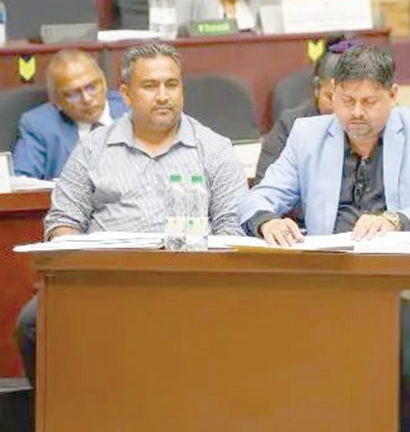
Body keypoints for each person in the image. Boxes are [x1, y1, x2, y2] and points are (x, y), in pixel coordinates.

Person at [15, 43, 248, 385]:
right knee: (32, 323)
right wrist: (80, 262)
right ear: (125, 93)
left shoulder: (214, 149)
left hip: (192, 281)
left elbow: (232, 228)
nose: (163, 96)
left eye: (172, 84)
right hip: (103, 282)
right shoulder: (92, 148)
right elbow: (62, 220)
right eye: (150, 86)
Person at [238, 44, 410, 245]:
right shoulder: (307, 136)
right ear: (333, 93)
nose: (357, 113)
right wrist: (267, 221)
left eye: (369, 102)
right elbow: (258, 198)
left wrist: (395, 221)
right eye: (347, 101)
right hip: (329, 268)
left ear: (393, 95)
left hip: (399, 263)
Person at [254, 36, 359, 182]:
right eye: (330, 98)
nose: (339, 109)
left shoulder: (378, 125)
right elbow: (265, 190)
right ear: (316, 90)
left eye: (349, 101)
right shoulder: (290, 126)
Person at [12, 50, 128, 180]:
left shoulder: (135, 109)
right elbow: (21, 182)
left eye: (92, 87)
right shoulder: (39, 125)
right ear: (55, 101)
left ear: (104, 82)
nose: (87, 99)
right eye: (73, 94)